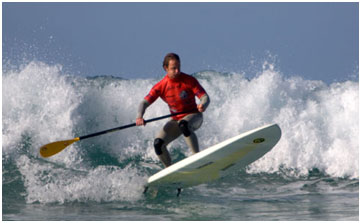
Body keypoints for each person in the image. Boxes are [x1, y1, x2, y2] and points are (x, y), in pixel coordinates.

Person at [136, 53, 210, 168]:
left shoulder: (189, 80)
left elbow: (205, 97)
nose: (177, 71)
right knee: (158, 144)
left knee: (184, 124)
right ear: (165, 68)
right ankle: (170, 170)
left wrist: (203, 104)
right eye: (173, 68)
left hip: (194, 116)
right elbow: (144, 103)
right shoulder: (161, 86)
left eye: (178, 67)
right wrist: (139, 116)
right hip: (176, 120)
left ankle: (197, 158)